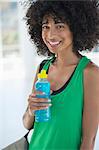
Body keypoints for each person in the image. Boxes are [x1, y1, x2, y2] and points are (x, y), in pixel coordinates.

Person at [23, 0, 99, 149]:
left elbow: (88, 140)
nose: (51, 34)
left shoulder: (90, 73)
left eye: (60, 26)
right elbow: (27, 124)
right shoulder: (43, 68)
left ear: (75, 29)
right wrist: (31, 110)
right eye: (46, 26)